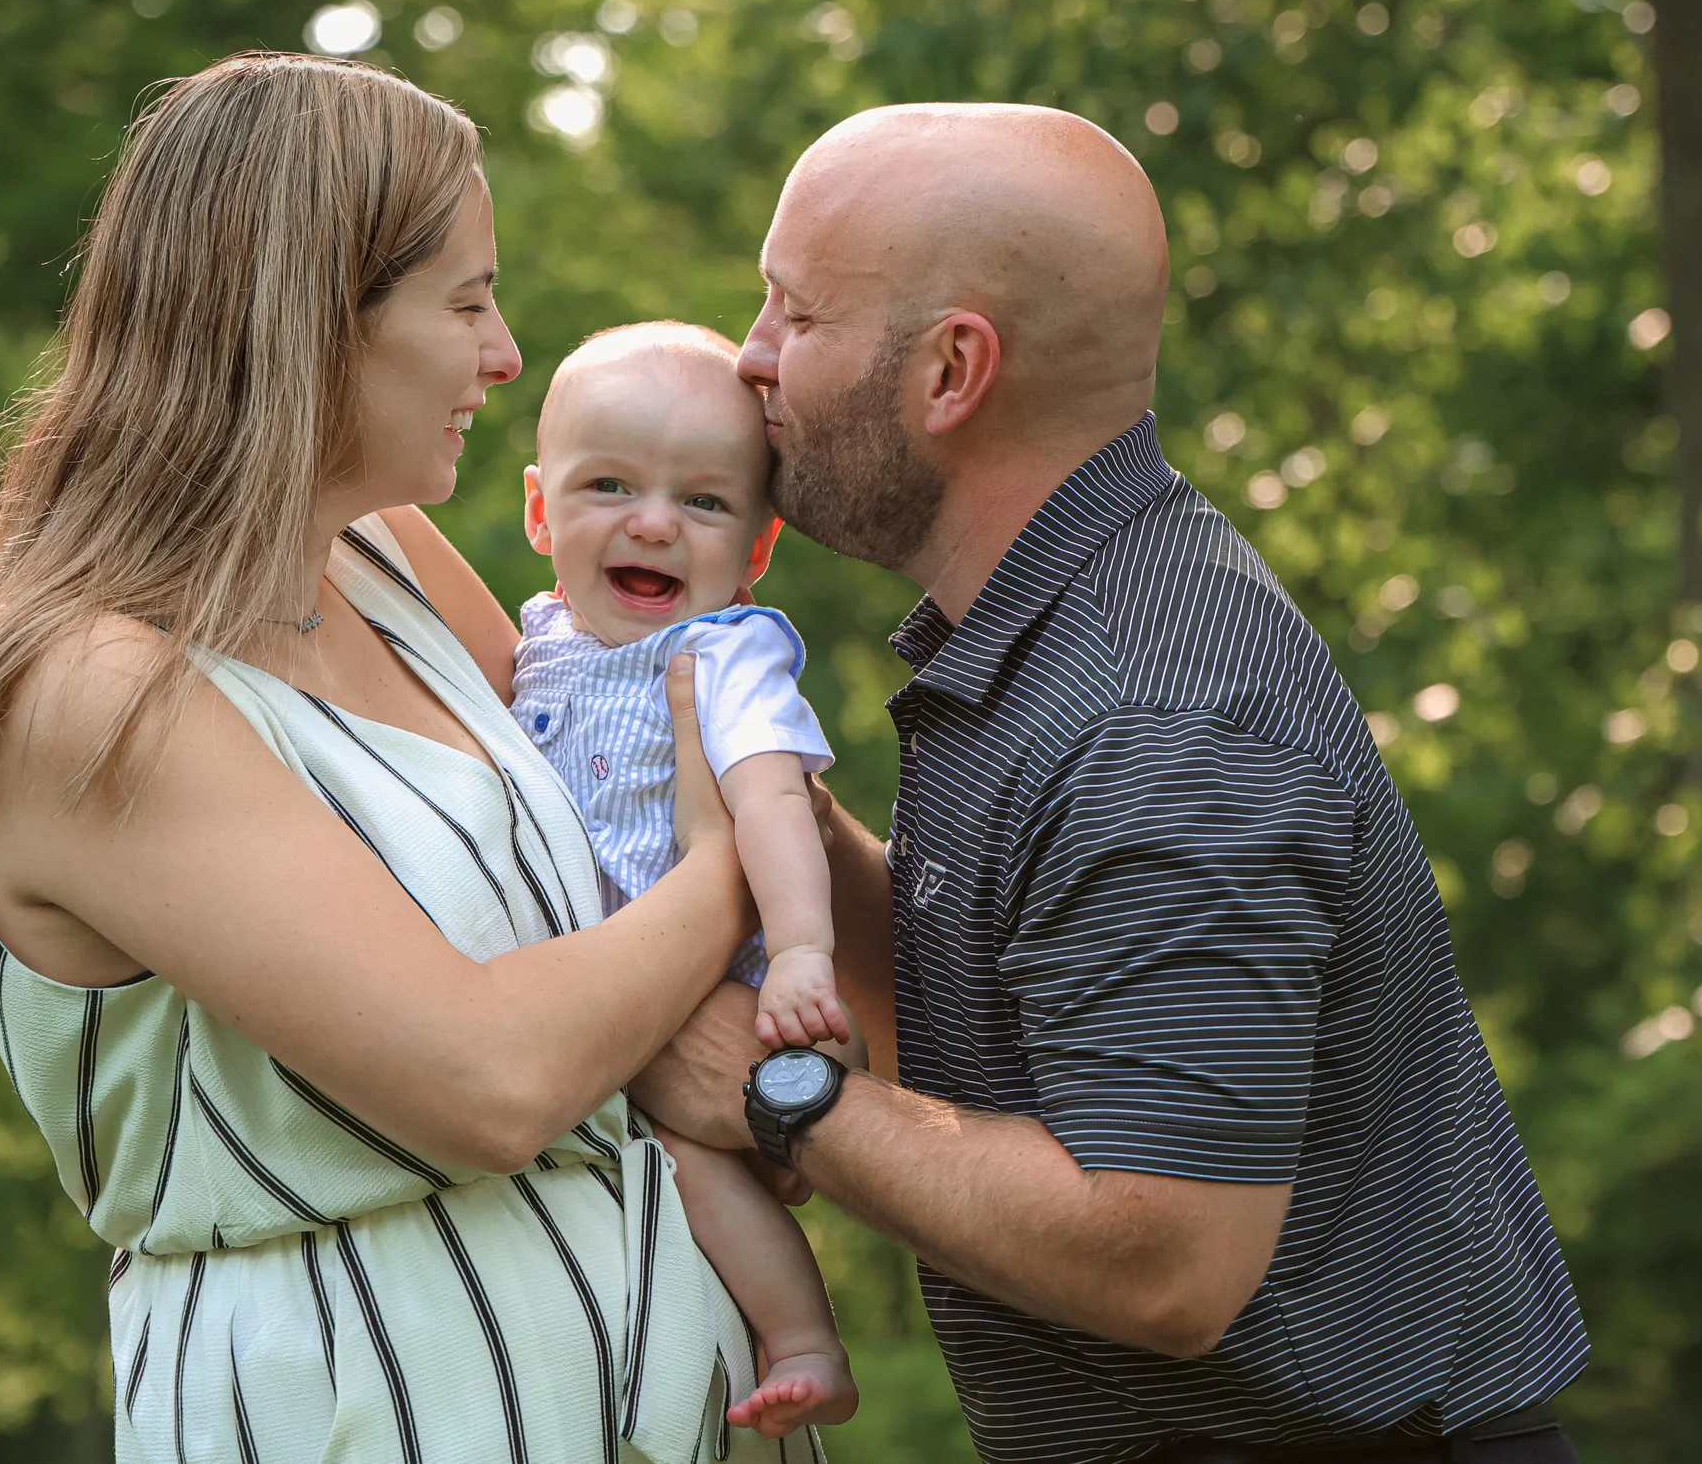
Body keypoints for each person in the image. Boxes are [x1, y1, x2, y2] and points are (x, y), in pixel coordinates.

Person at [631, 103, 1590, 1463]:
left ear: (952, 370)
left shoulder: (1157, 720)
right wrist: (754, 790)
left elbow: (1167, 1256)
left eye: (797, 312)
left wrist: (772, 1090)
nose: (752, 355)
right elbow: (1006, 1021)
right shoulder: (1062, 624)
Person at [0, 54, 802, 1464]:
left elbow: (610, 794)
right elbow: (491, 1078)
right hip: (363, 1405)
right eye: (466, 302)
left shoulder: (382, 555)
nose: (506, 354)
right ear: (312, 316)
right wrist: (741, 851)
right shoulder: (92, 692)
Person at [511, 321, 859, 1437]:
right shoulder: (534, 641)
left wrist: (800, 953)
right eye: (609, 484)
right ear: (540, 513)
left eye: (703, 501)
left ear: (757, 545)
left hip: (706, 983)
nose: (654, 521)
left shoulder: (727, 654)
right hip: (588, 1004)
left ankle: (804, 1340)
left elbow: (773, 802)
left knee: (698, 1166)